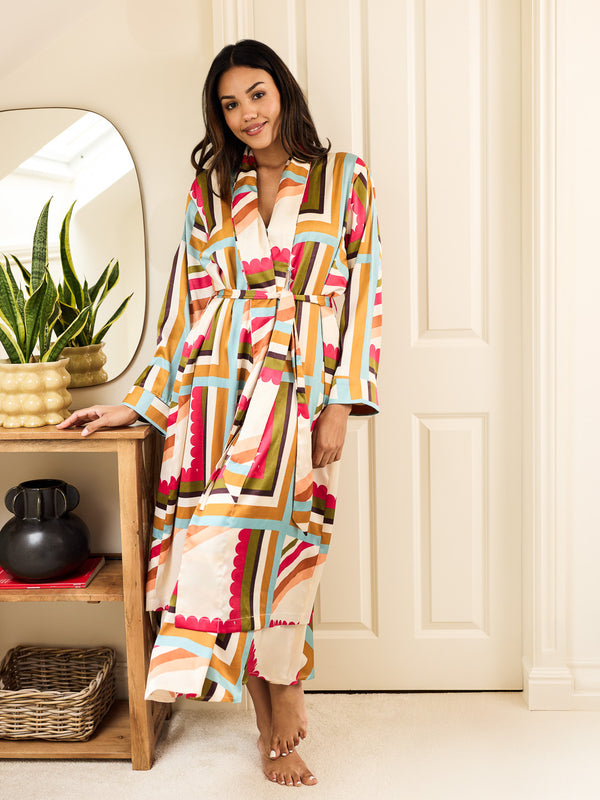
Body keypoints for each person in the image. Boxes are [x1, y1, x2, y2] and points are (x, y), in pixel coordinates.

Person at [58, 39, 382, 788]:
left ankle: (283, 685)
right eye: (230, 104)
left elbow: (363, 293)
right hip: (216, 386)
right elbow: (186, 306)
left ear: (283, 92)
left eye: (257, 94)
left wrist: (341, 401)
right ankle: (271, 717)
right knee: (221, 547)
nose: (247, 114)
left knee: (286, 547)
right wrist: (140, 405)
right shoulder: (209, 190)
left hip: (300, 388)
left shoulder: (344, 177)